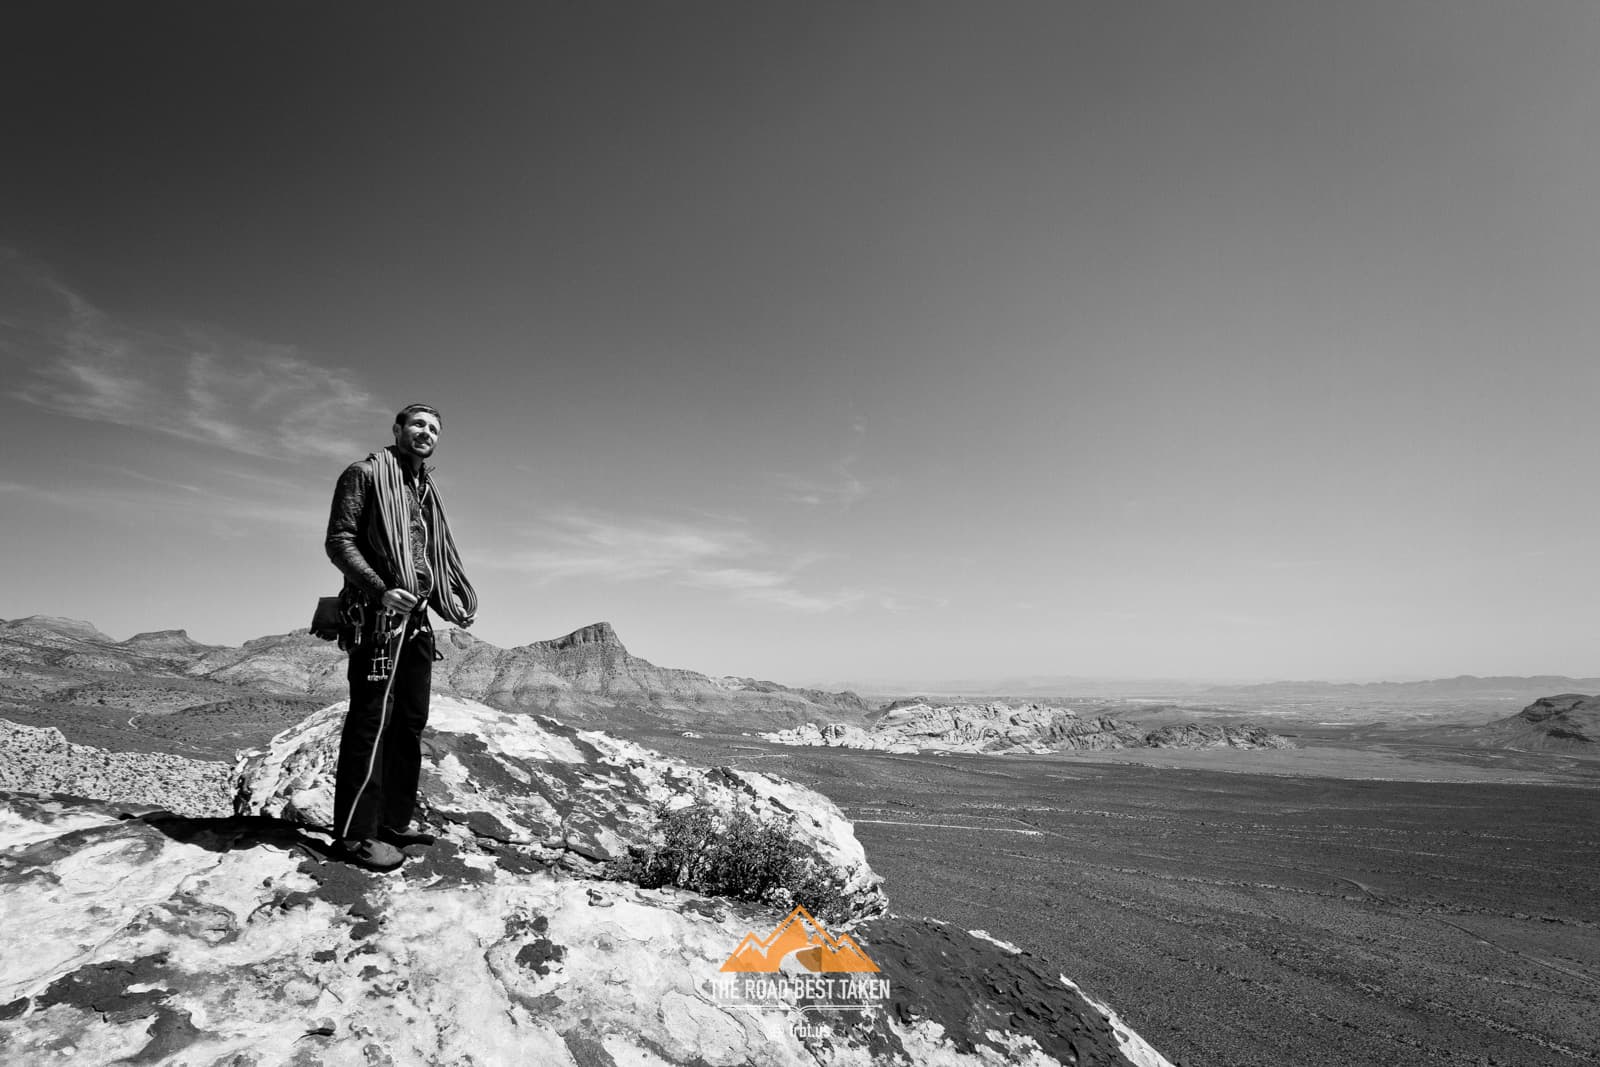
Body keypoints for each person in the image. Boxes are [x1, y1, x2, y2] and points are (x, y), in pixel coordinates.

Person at [324, 403, 477, 870]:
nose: (425, 433)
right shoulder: (365, 474)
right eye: (417, 424)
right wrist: (381, 589)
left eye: (434, 428)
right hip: (377, 617)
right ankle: (353, 836)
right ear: (397, 429)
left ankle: (391, 821)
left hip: (416, 621)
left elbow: (431, 550)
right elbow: (339, 540)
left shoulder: (423, 487)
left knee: (409, 720)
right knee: (370, 721)